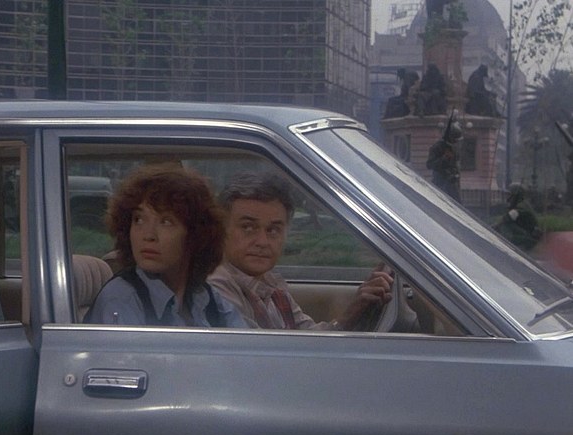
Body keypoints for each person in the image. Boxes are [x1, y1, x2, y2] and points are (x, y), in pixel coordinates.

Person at [208, 172, 396, 331]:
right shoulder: (216, 288)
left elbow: (307, 338)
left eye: (273, 230)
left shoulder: (270, 284)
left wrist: (356, 310)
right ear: (222, 229)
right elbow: (259, 353)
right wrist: (347, 317)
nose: (262, 242)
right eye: (248, 228)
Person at [85, 164, 246, 327]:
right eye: (138, 220)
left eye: (166, 222)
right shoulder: (121, 299)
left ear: (195, 234)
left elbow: (246, 339)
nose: (148, 235)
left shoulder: (205, 298)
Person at [494, 183, 543, 251]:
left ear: (516, 196)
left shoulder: (521, 206)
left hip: (528, 240)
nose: (508, 199)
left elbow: (507, 217)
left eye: (509, 195)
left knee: (505, 225)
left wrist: (490, 229)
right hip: (526, 237)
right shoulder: (521, 204)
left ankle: (505, 244)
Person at [426, 119, 463, 202]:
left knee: (457, 204)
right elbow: (429, 165)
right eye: (454, 140)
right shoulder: (437, 147)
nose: (455, 142)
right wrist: (444, 159)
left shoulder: (454, 148)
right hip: (440, 182)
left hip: (452, 183)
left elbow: (455, 164)